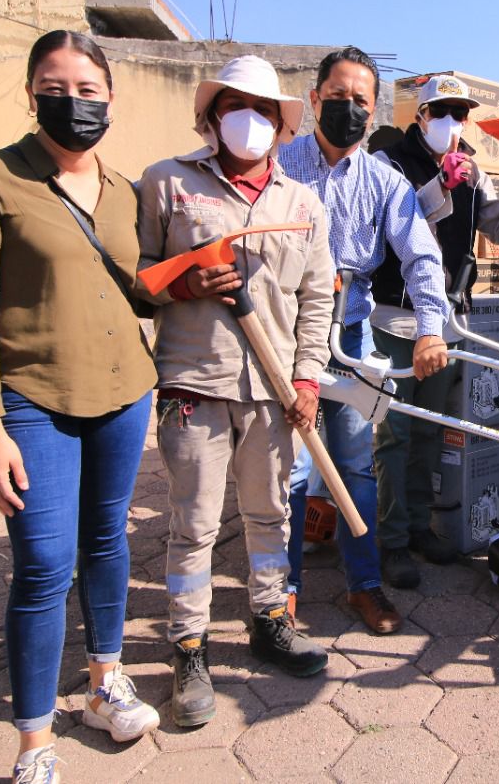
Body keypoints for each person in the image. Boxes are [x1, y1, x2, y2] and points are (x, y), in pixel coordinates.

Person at [0, 30, 160, 783]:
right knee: (41, 564)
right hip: (32, 398)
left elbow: (138, 288)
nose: (74, 102)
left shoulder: (125, 190)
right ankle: (34, 743)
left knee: (107, 541)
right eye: (56, 87)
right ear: (30, 92)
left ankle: (103, 682)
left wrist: (198, 279)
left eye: (90, 90)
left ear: (111, 99)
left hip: (124, 392)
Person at [137, 56, 336, 726]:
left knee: (270, 515)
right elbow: (137, 279)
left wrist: (307, 377)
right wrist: (186, 282)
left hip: (274, 390)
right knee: (192, 525)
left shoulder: (302, 204)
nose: (248, 120)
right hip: (196, 382)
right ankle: (189, 648)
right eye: (234, 106)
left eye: (263, 110)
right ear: (212, 116)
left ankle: (269, 619)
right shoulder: (168, 184)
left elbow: (316, 301)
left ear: (282, 127)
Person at [279, 47, 449, 634]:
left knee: (355, 463)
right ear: (313, 98)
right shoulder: (278, 167)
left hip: (349, 336)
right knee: (290, 471)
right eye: (337, 98)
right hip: (282, 336)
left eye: (360, 102)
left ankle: (364, 584)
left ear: (374, 111)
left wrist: (431, 328)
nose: (347, 109)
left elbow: (422, 255)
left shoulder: (385, 181)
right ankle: (282, 593)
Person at [371, 74, 499, 587]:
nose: (452, 123)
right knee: (394, 431)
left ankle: (417, 525)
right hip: (395, 318)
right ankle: (389, 541)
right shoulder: (388, 162)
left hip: (447, 322)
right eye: (442, 112)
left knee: (430, 429)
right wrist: (440, 186)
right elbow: (393, 227)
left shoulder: (475, 172)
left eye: (460, 114)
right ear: (421, 117)